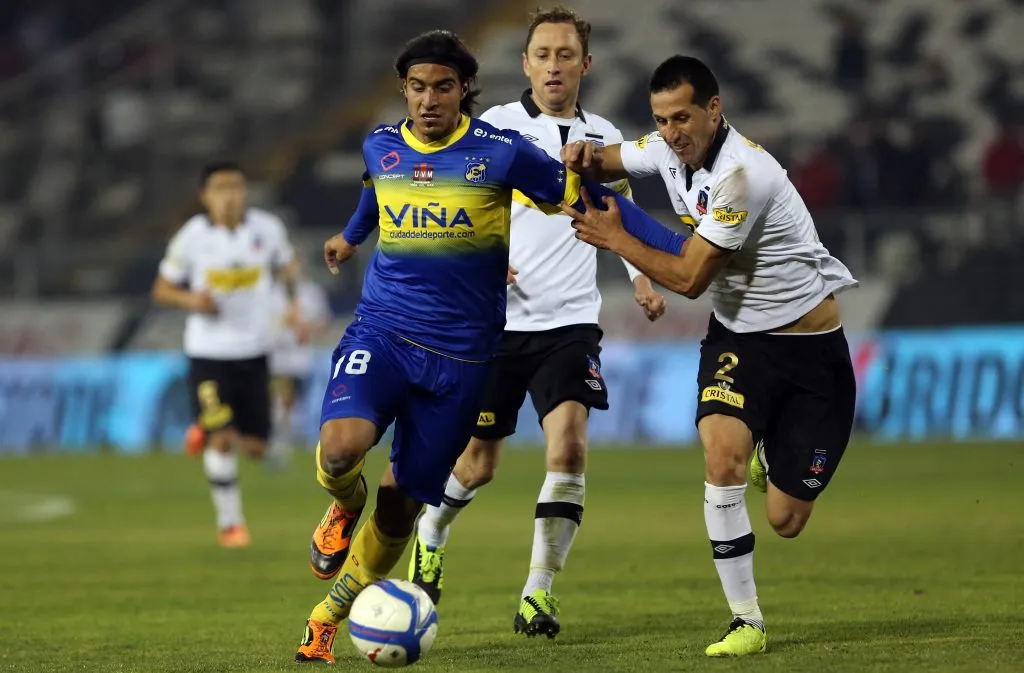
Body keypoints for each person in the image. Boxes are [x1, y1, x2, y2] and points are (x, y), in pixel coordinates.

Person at [294, 30, 687, 664]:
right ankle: (342, 505)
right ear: (405, 91)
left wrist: (671, 250)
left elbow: (590, 199)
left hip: (466, 356)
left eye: (443, 88)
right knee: (341, 451)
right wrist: (348, 238)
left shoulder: (501, 153)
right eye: (418, 88)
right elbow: (375, 188)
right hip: (384, 329)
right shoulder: (381, 144)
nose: (429, 100)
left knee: (402, 506)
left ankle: (329, 614)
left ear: (463, 92)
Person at [561, 55, 858, 657]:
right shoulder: (668, 147)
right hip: (739, 340)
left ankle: (772, 449)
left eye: (683, 118)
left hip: (810, 352)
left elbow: (692, 278)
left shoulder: (743, 176)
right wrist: (581, 155)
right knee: (721, 457)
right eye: (661, 120)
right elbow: (615, 157)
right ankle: (746, 620)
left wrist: (616, 237)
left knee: (786, 519)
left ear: (714, 110)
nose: (672, 133)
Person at [406, 5, 665, 640]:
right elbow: (439, 203)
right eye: (542, 55)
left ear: (585, 64)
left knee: (570, 447)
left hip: (572, 323)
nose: (554, 65)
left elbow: (619, 212)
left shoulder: (603, 138)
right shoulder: (493, 129)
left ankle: (537, 595)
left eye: (565, 54)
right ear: (525, 64)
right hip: (495, 326)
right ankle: (430, 533)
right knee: (478, 465)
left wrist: (641, 276)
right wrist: (475, 259)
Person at [152, 161, 300, 548]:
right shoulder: (192, 237)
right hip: (209, 352)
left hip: (255, 352)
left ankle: (202, 425)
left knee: (255, 448)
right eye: (220, 188)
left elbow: (288, 269)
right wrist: (191, 300)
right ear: (205, 196)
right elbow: (162, 289)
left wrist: (294, 306)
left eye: (236, 186)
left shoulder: (267, 230)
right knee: (223, 437)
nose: (230, 194)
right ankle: (231, 524)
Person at [266, 262, 333, 469]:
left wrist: (308, 329)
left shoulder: (311, 292)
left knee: (292, 404)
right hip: (275, 356)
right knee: (282, 400)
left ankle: (284, 444)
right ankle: (278, 445)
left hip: (302, 357)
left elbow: (324, 321)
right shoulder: (269, 292)